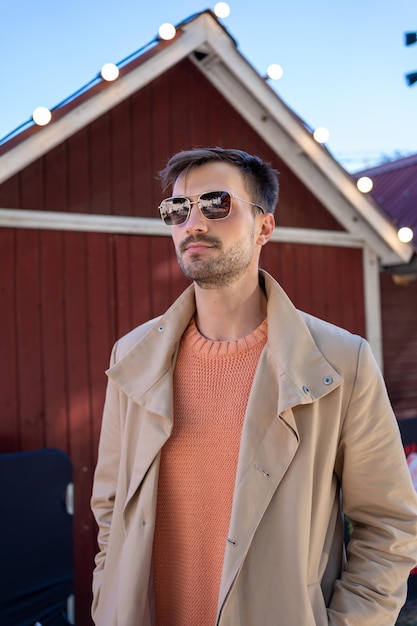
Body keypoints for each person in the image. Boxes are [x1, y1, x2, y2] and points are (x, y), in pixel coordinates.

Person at [91, 147, 417, 626]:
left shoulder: (341, 361)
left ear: (264, 226)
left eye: (216, 204)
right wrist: (107, 597)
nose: (193, 223)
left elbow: (387, 525)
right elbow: (110, 507)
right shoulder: (133, 356)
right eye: (177, 210)